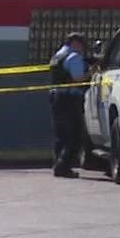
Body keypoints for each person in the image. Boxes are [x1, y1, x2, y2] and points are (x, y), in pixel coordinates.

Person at [48, 33, 90, 178]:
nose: (83, 49)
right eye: (82, 45)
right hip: (69, 98)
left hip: (56, 97)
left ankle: (58, 164)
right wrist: (91, 73)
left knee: (60, 135)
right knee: (74, 134)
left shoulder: (58, 55)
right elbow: (78, 79)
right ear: (76, 43)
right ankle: (64, 166)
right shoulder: (74, 57)